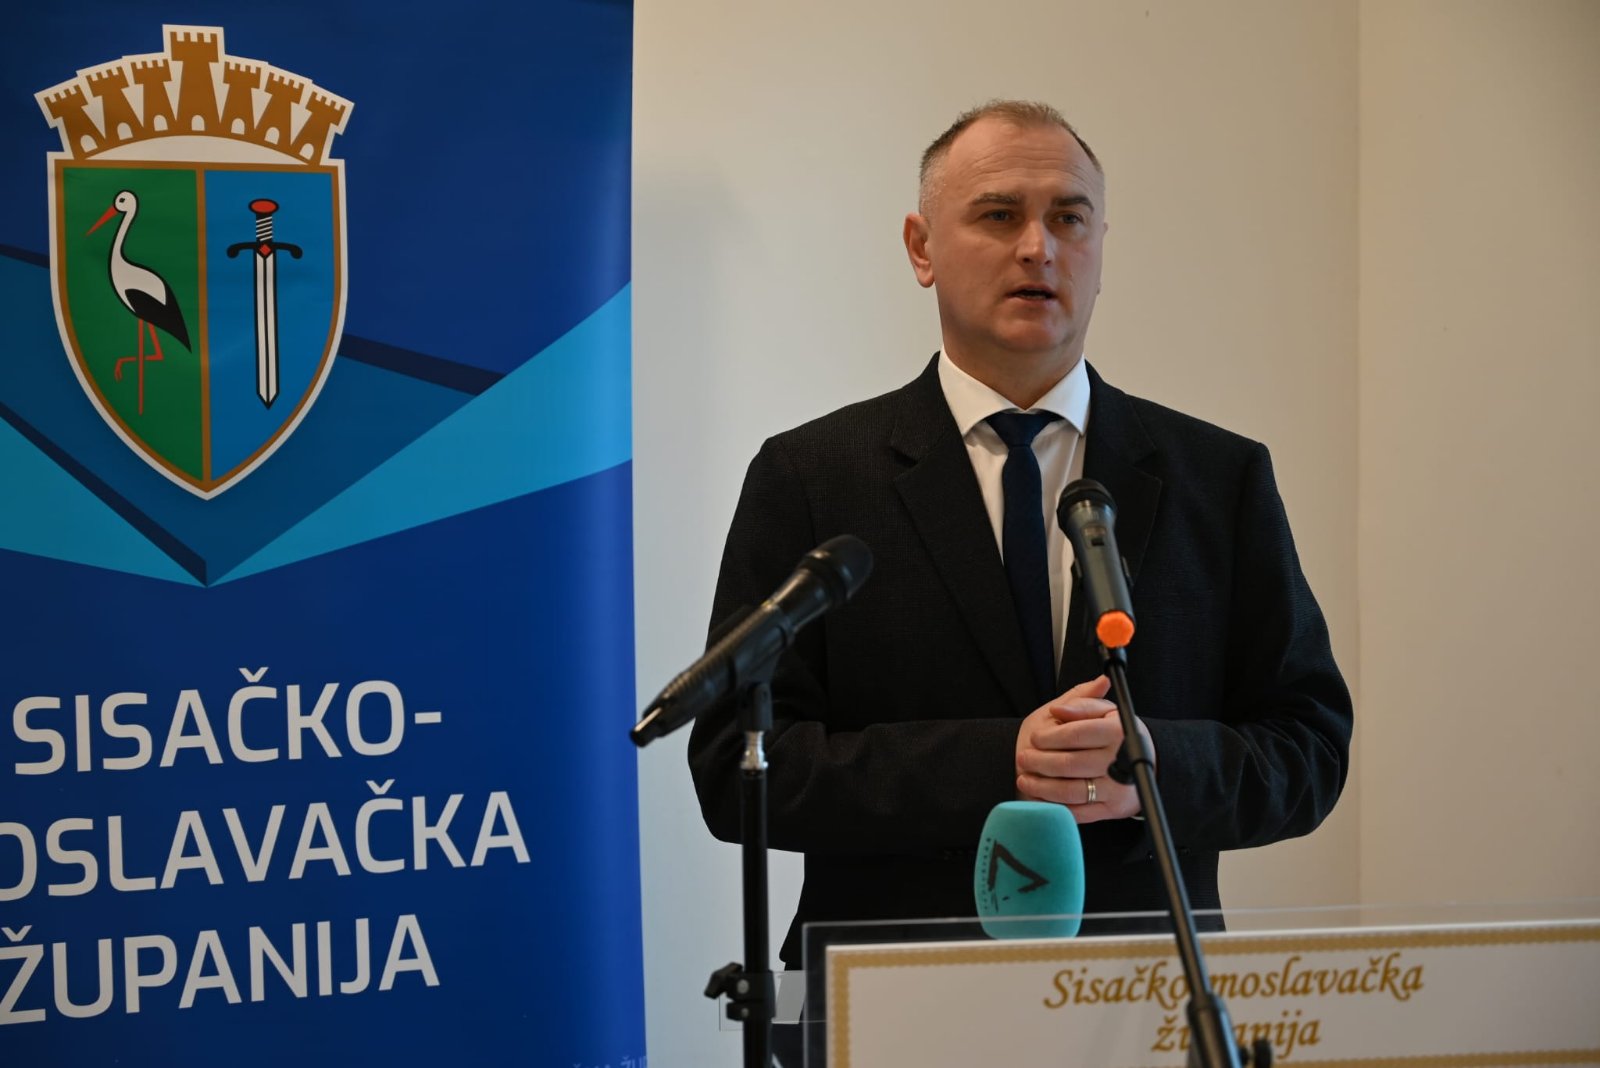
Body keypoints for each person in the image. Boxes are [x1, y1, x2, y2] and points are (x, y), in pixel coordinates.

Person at [687, 100, 1352, 977]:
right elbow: (737, 767)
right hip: (891, 994)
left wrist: (1152, 764)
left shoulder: (1218, 478)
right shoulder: (812, 477)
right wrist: (998, 763)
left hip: (1147, 991)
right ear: (922, 248)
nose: (1038, 247)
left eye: (1069, 219)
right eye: (999, 215)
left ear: (1101, 249)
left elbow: (1309, 748)